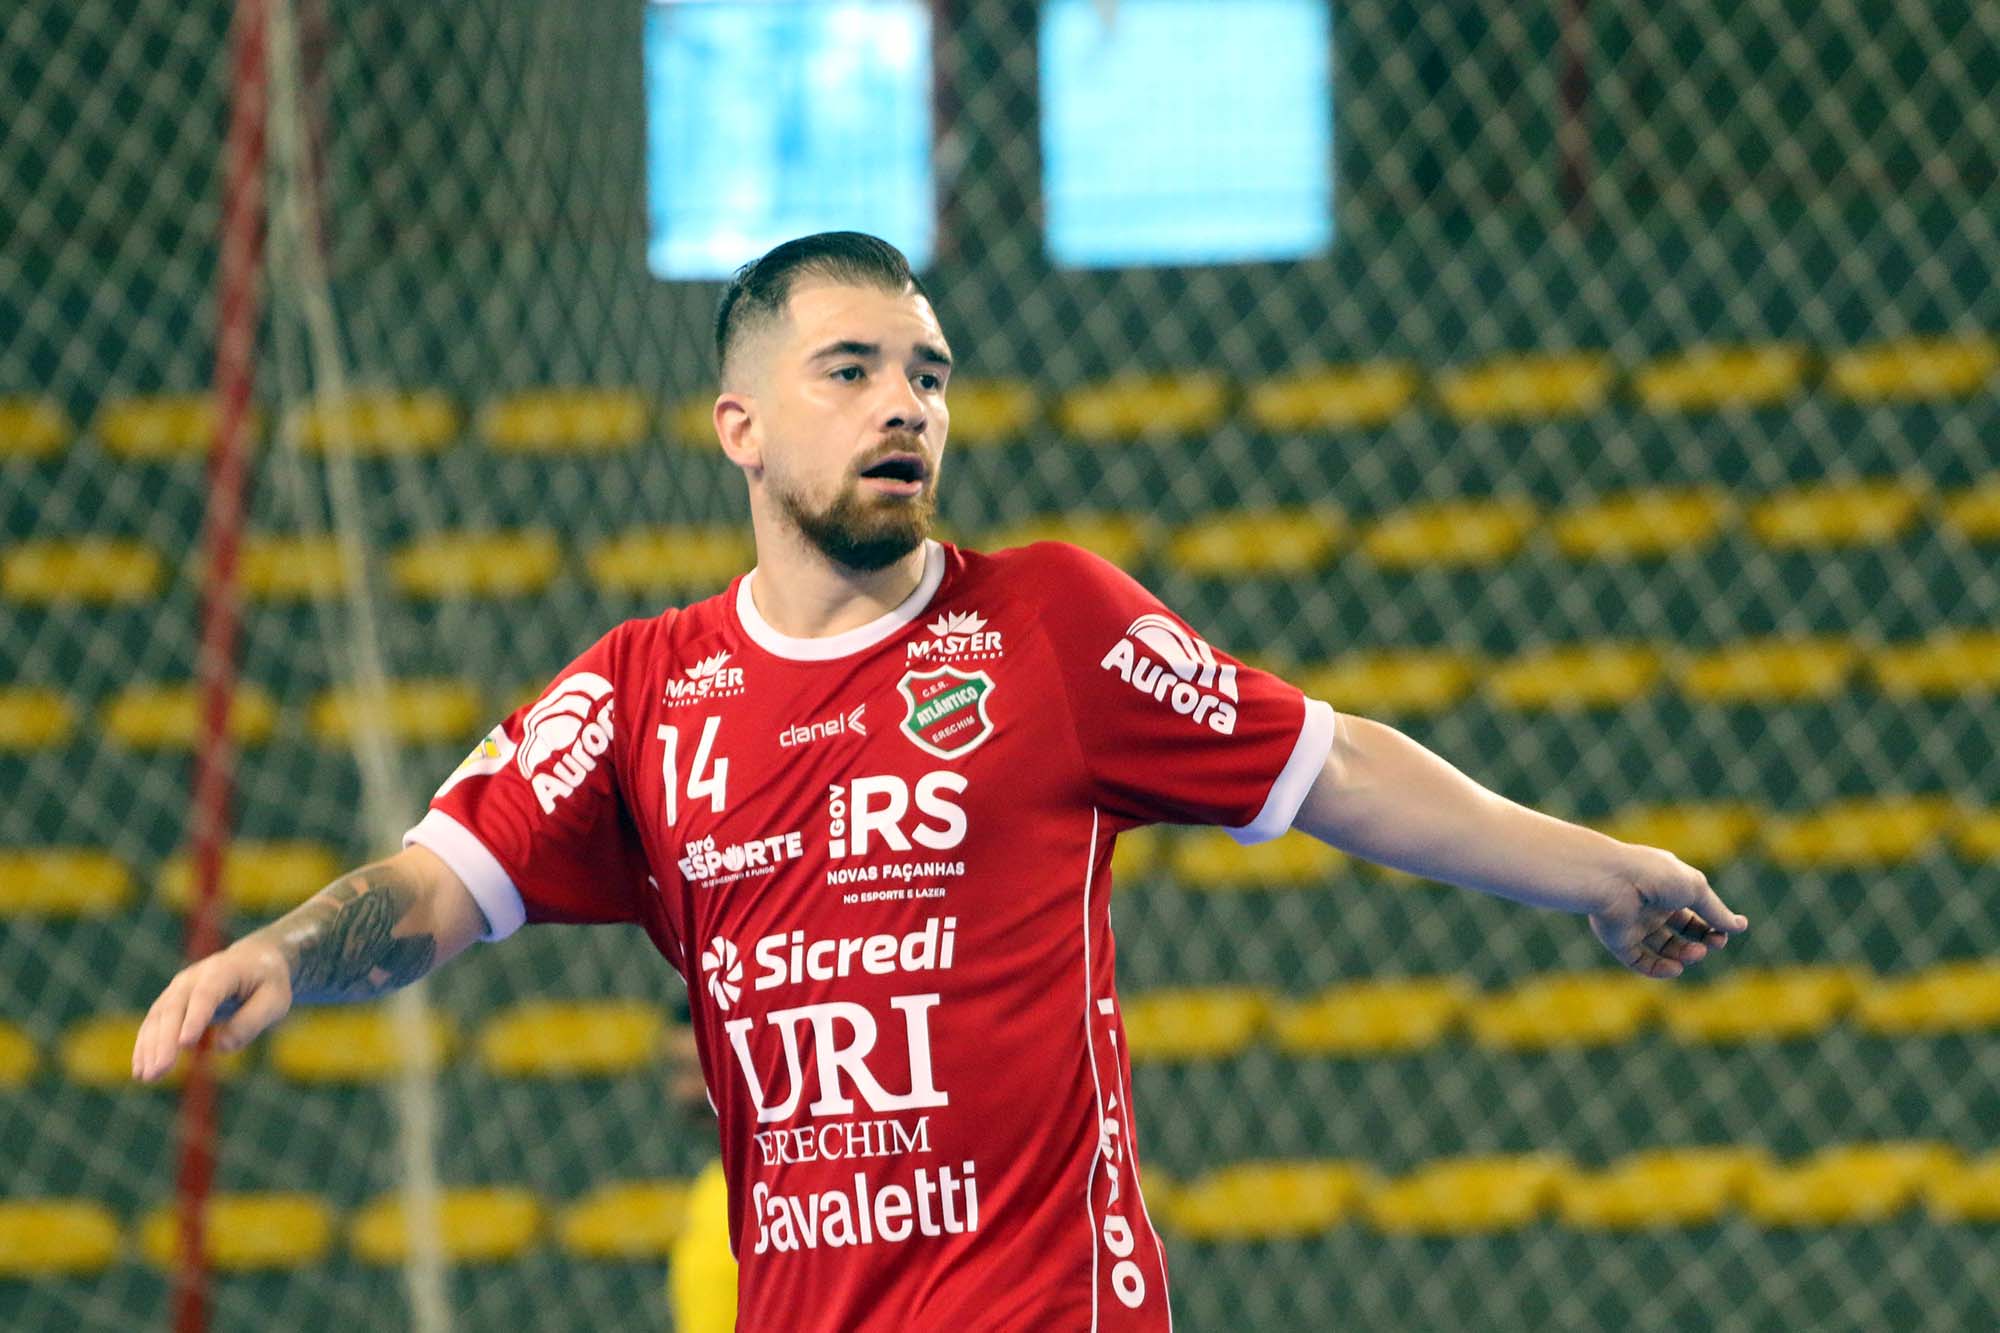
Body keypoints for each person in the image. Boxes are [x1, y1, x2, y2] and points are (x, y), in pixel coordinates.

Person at [133, 231, 1749, 1330]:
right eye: (850, 370)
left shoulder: (1048, 623)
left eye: (929, 372)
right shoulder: (638, 692)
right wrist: (282, 949)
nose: (906, 403)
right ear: (739, 425)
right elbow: (440, 885)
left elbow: (1333, 767)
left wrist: (1600, 869)